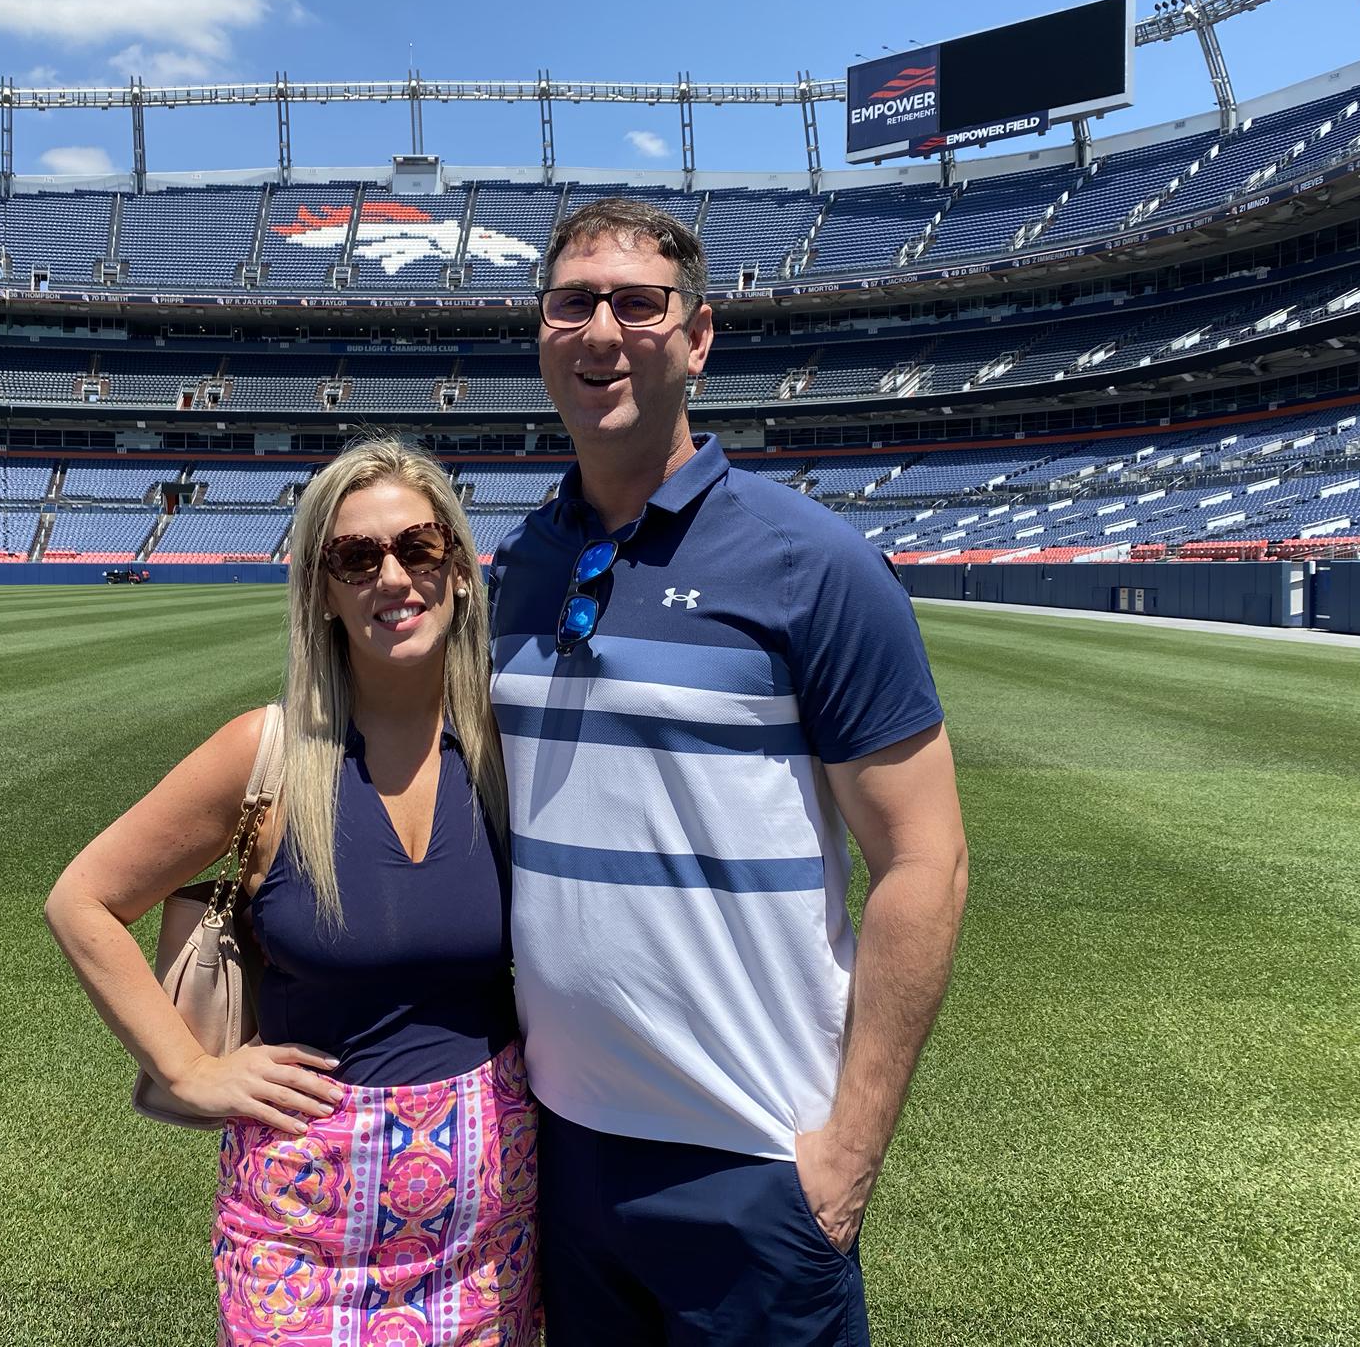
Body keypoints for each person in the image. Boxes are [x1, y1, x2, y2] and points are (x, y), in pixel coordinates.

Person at [488, 198, 969, 1345]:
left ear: (697, 338)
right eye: (571, 302)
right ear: (541, 333)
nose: (600, 329)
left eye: (638, 303)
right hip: (557, 1150)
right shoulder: (513, 564)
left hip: (755, 1159)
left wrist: (844, 1156)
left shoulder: (813, 564)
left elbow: (925, 861)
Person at [47, 437, 539, 1346]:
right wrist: (188, 1069)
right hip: (304, 1228)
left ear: (460, 570)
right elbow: (83, 901)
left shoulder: (512, 747)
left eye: (418, 548)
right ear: (322, 591)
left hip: (491, 1229)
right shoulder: (265, 754)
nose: (392, 577)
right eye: (355, 558)